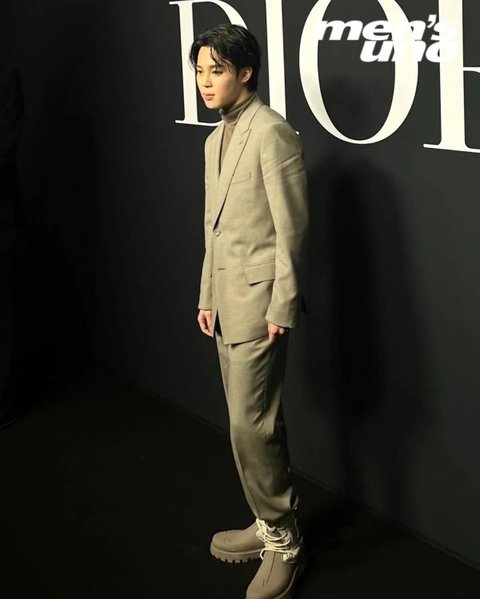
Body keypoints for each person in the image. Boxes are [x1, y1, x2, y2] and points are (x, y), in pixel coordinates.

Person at [191, 24, 309, 599]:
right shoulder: (215, 139)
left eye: (216, 70)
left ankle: (285, 540)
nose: (205, 81)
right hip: (227, 302)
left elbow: (292, 227)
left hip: (262, 305)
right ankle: (266, 523)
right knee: (248, 424)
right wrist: (207, 294)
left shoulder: (272, 131)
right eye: (199, 70)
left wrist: (282, 303)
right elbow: (214, 229)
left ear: (245, 72)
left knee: (251, 425)